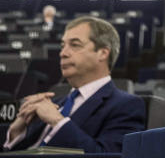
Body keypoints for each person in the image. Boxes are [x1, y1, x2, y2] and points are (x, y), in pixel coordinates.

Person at [3, 16, 145, 153]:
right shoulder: (53, 103)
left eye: (75, 45)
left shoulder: (126, 105)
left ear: (102, 53)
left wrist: (58, 121)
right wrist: (16, 132)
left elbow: (107, 154)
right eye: (62, 46)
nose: (63, 53)